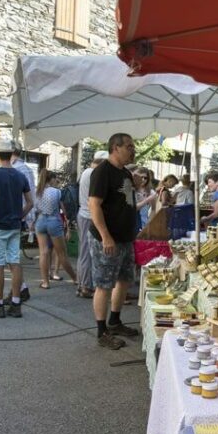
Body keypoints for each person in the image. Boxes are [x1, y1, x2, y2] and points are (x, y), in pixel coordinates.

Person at [87, 133, 140, 349]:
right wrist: (106, 236)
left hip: (125, 238)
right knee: (104, 284)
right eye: (129, 146)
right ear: (115, 148)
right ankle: (102, 331)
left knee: (124, 280)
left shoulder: (125, 172)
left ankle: (115, 321)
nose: (132, 150)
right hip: (107, 239)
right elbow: (94, 205)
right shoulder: (102, 172)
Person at [0, 139, 33, 319]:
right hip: (14, 225)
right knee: (15, 262)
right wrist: (20, 215)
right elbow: (30, 202)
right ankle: (16, 303)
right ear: (11, 154)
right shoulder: (20, 176)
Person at [34, 169, 77, 289]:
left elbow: (35, 209)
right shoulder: (57, 192)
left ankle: (45, 282)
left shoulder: (37, 192)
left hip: (40, 220)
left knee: (43, 252)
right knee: (62, 253)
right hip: (54, 220)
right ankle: (75, 278)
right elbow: (63, 208)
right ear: (51, 179)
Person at [76, 150, 108, 298]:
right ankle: (86, 286)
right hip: (90, 216)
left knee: (84, 252)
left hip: (84, 214)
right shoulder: (94, 174)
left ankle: (82, 283)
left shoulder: (86, 172)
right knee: (89, 253)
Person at [10, 141, 35, 301]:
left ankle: (19, 291)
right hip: (19, 216)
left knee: (11, 256)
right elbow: (30, 197)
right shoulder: (25, 169)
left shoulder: (16, 170)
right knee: (12, 255)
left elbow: (27, 198)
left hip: (13, 216)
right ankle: (21, 287)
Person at [133, 167, 158, 232]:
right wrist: (147, 199)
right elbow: (134, 208)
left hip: (144, 224)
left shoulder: (151, 192)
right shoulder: (131, 190)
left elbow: (153, 209)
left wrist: (148, 224)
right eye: (140, 177)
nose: (143, 179)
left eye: (145, 178)